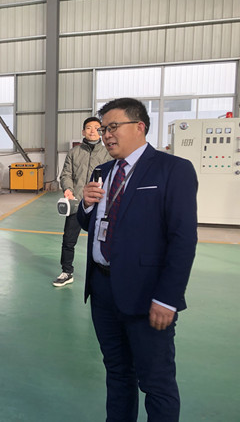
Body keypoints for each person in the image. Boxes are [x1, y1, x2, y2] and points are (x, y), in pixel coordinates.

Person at [78, 98, 198, 421]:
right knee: (117, 373)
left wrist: (168, 298)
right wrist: (86, 205)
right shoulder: (103, 171)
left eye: (113, 127)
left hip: (147, 295)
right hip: (103, 291)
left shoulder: (173, 170)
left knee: (156, 382)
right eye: (103, 129)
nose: (106, 135)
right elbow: (90, 223)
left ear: (140, 127)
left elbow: (183, 240)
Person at [53, 117, 110, 287]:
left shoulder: (108, 153)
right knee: (68, 240)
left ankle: (103, 272)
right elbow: (66, 174)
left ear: (101, 131)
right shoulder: (74, 152)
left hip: (100, 205)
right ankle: (66, 272)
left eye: (96, 128)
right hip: (77, 203)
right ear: (83, 131)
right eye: (89, 128)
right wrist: (68, 189)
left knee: (101, 241)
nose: (92, 131)